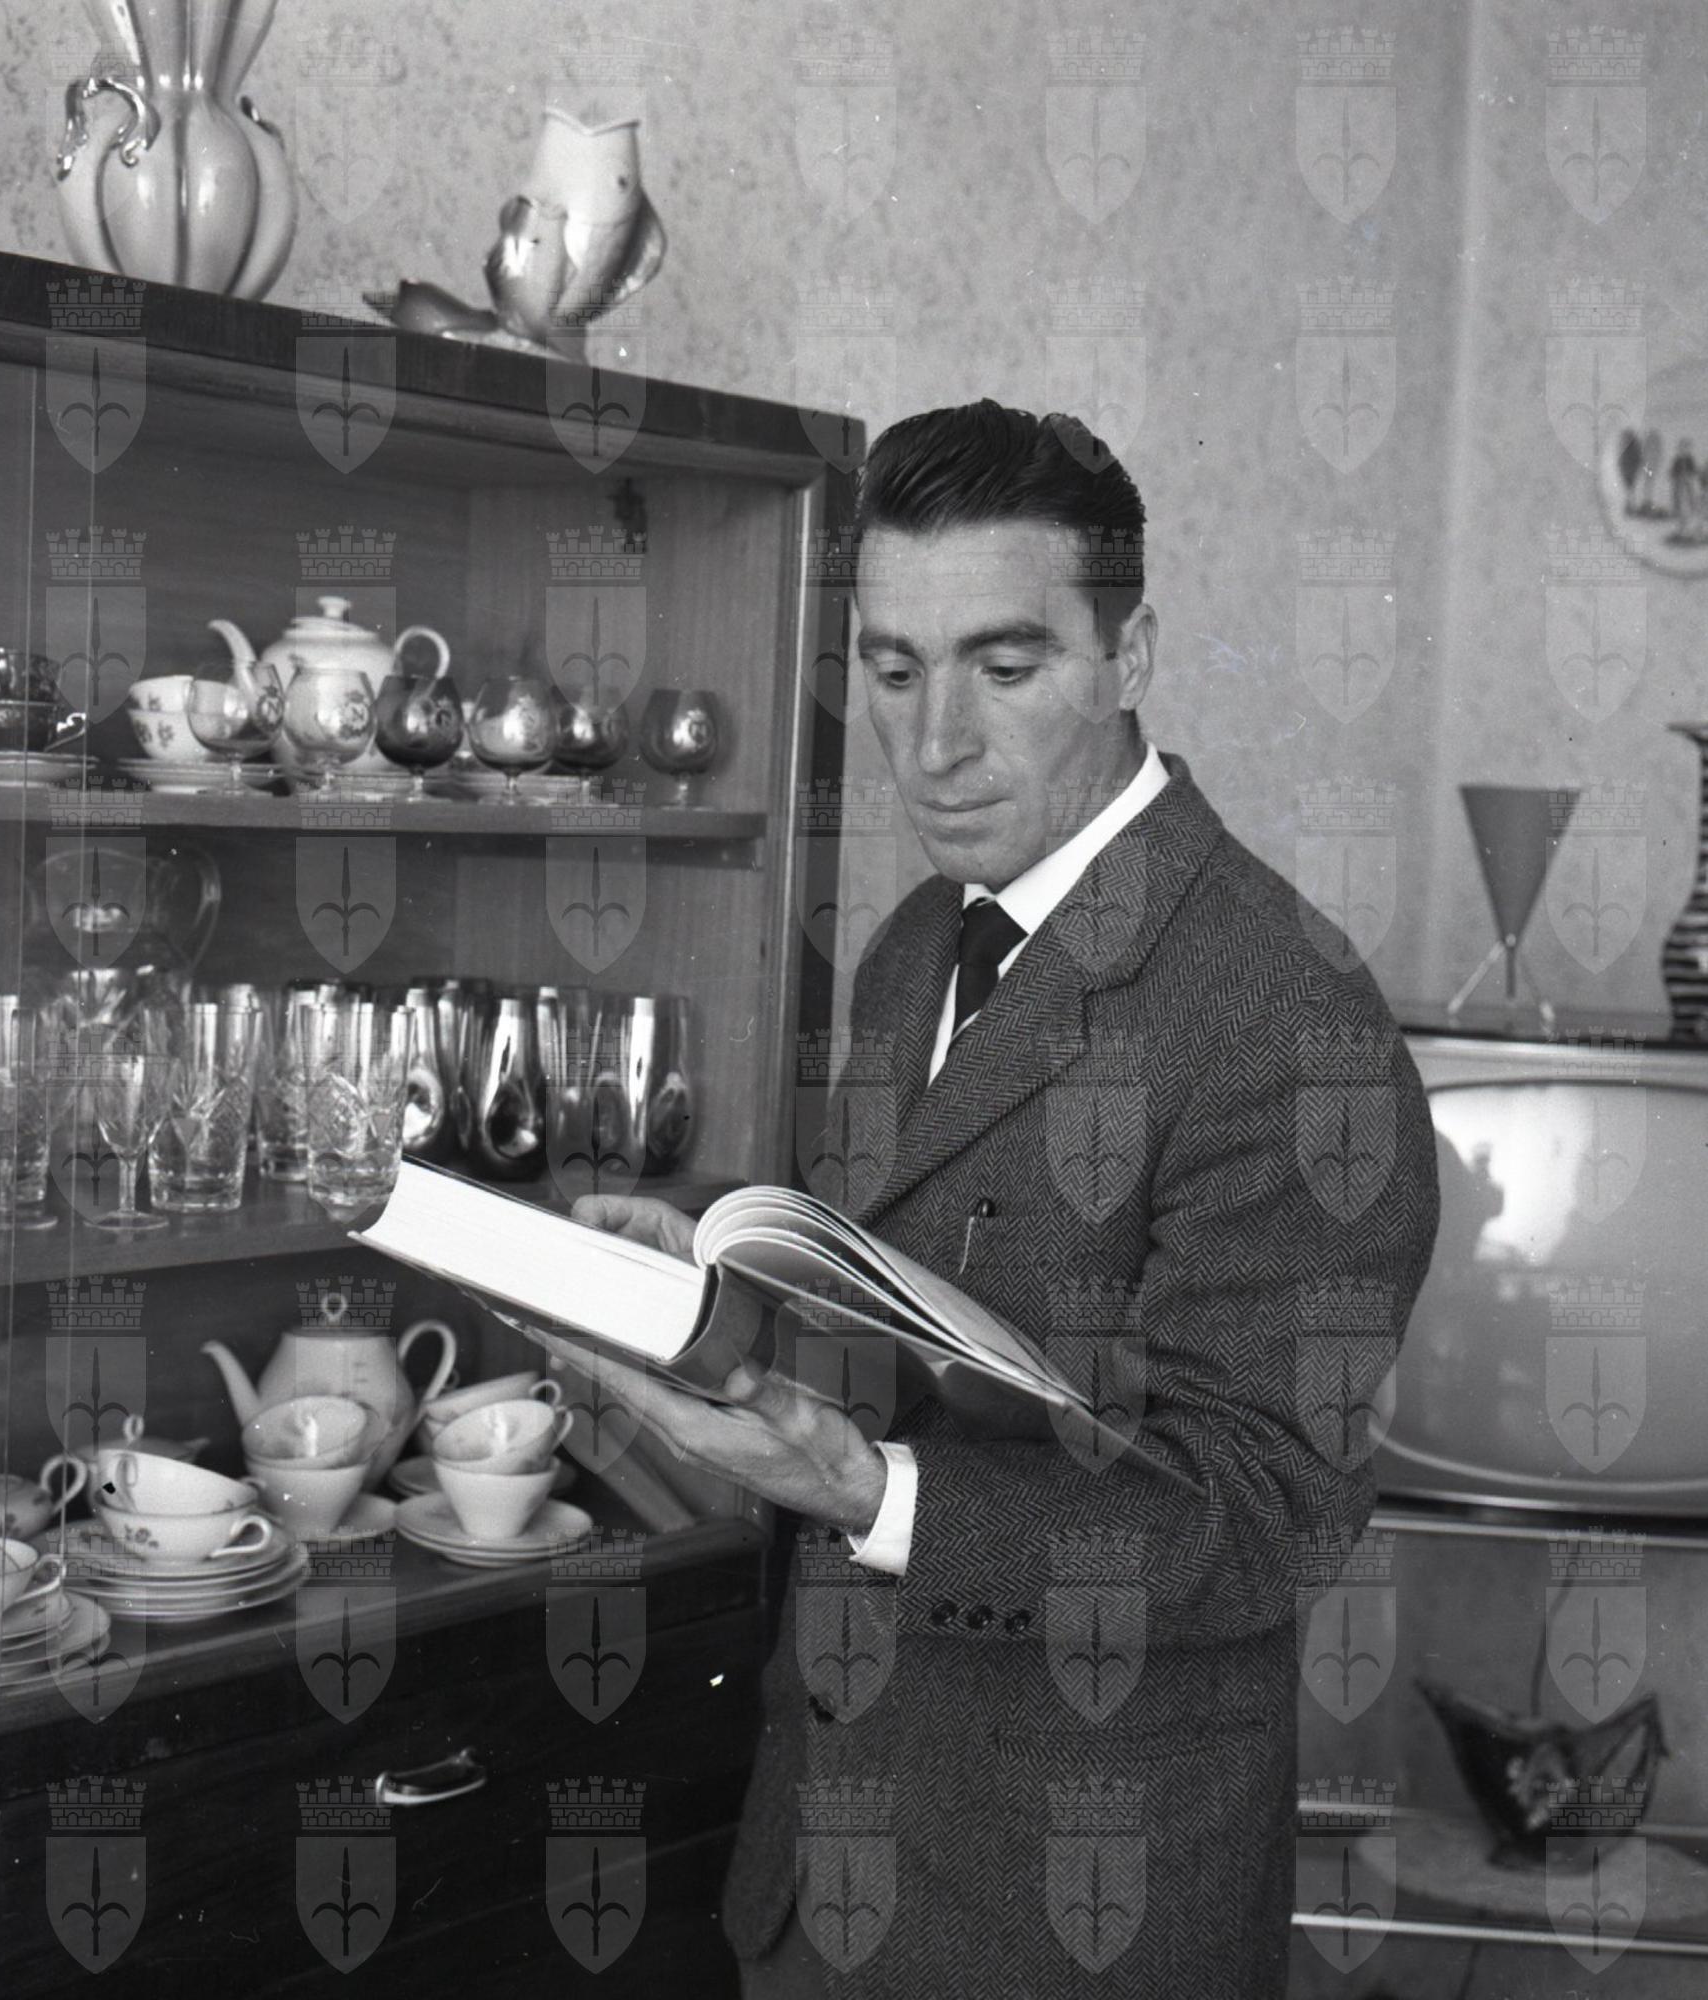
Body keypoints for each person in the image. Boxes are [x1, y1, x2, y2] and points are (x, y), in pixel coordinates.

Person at [554, 401, 1440, 1996]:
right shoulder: (919, 943)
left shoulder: (1292, 1016)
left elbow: (1259, 1521)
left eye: (1005, 668)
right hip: (818, 1874)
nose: (935, 742)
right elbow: (903, 1315)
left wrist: (869, 1492)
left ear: (1129, 656)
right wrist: (714, 1292)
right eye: (895, 672)